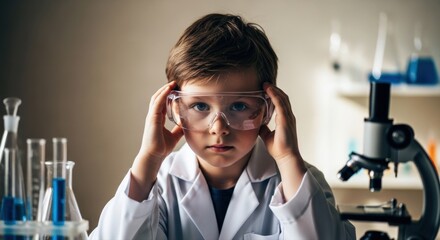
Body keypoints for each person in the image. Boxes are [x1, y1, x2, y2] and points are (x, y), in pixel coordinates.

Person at [90, 13, 356, 240]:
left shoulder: (301, 181)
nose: (218, 128)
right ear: (172, 109)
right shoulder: (155, 184)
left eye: (239, 106)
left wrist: (288, 158)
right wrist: (148, 159)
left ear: (268, 109)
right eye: (200, 106)